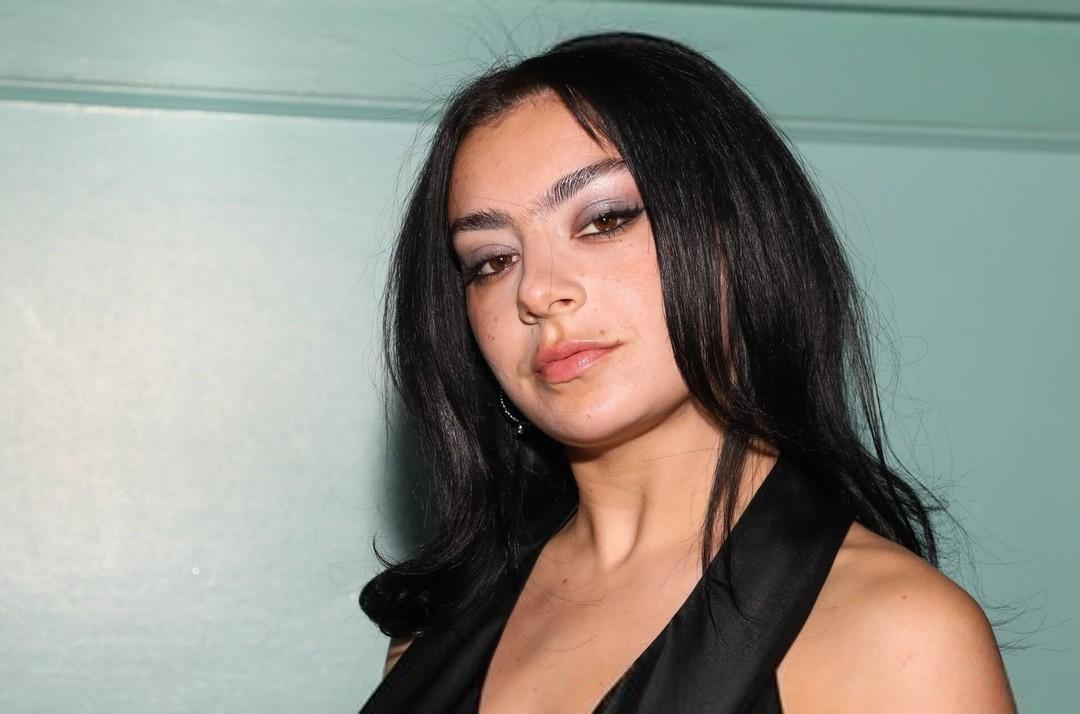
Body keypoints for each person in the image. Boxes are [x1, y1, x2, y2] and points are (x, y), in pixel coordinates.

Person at [358, 31, 1015, 713]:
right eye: (492, 261)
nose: (537, 291)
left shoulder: (895, 639)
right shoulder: (432, 626)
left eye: (604, 220)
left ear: (737, 233)